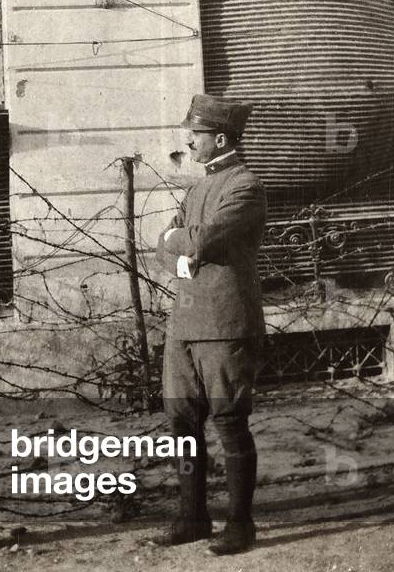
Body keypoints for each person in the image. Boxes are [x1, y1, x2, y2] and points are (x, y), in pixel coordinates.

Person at [155, 93, 266, 556]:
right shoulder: (197, 189)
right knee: (181, 420)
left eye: (195, 135)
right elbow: (162, 247)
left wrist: (178, 243)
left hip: (224, 323)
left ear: (219, 138)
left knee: (228, 421)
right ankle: (192, 517)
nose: (188, 142)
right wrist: (180, 247)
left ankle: (240, 525)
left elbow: (196, 240)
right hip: (184, 324)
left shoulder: (245, 185)